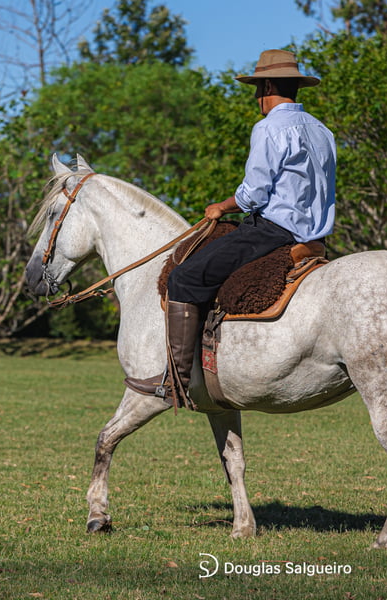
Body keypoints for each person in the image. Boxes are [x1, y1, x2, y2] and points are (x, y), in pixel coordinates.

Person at [125, 49, 337, 405]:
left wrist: (221, 207)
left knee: (183, 278)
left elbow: (254, 193)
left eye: (257, 88)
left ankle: (174, 380)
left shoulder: (270, 127)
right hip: (315, 236)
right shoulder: (322, 130)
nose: (257, 97)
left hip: (272, 231)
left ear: (268, 85)